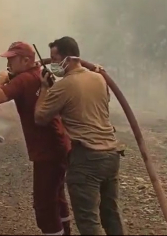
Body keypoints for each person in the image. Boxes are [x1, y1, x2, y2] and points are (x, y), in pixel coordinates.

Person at [34, 36, 126, 235]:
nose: (53, 63)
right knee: (111, 215)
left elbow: (40, 117)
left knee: (88, 221)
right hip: (111, 154)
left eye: (54, 58)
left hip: (87, 159)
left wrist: (44, 88)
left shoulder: (64, 86)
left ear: (67, 58)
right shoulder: (99, 78)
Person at [0, 41, 72, 235]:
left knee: (44, 205)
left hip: (46, 151)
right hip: (60, 144)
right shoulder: (38, 74)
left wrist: (0, 80)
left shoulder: (24, 79)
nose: (8, 64)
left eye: (12, 59)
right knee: (57, 197)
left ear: (26, 60)